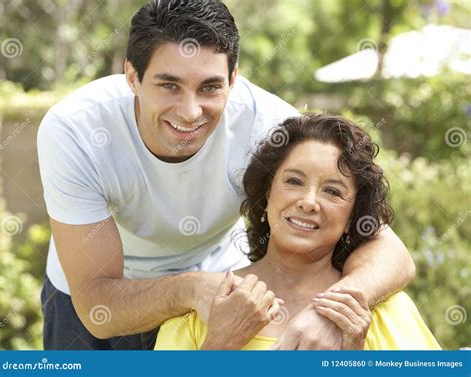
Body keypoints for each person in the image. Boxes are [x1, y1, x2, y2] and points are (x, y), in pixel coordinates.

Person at [37, 0, 415, 350]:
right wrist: (188, 288)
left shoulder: (269, 126)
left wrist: (334, 309)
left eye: (210, 87)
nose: (190, 112)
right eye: (169, 85)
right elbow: (97, 302)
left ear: (233, 79)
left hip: (215, 288)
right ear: (133, 77)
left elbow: (391, 251)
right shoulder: (76, 130)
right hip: (94, 300)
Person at [154, 113, 441, 350]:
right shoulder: (205, 309)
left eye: (332, 191)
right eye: (294, 181)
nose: (308, 201)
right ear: (268, 194)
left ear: (352, 215)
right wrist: (218, 346)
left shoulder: (383, 312)